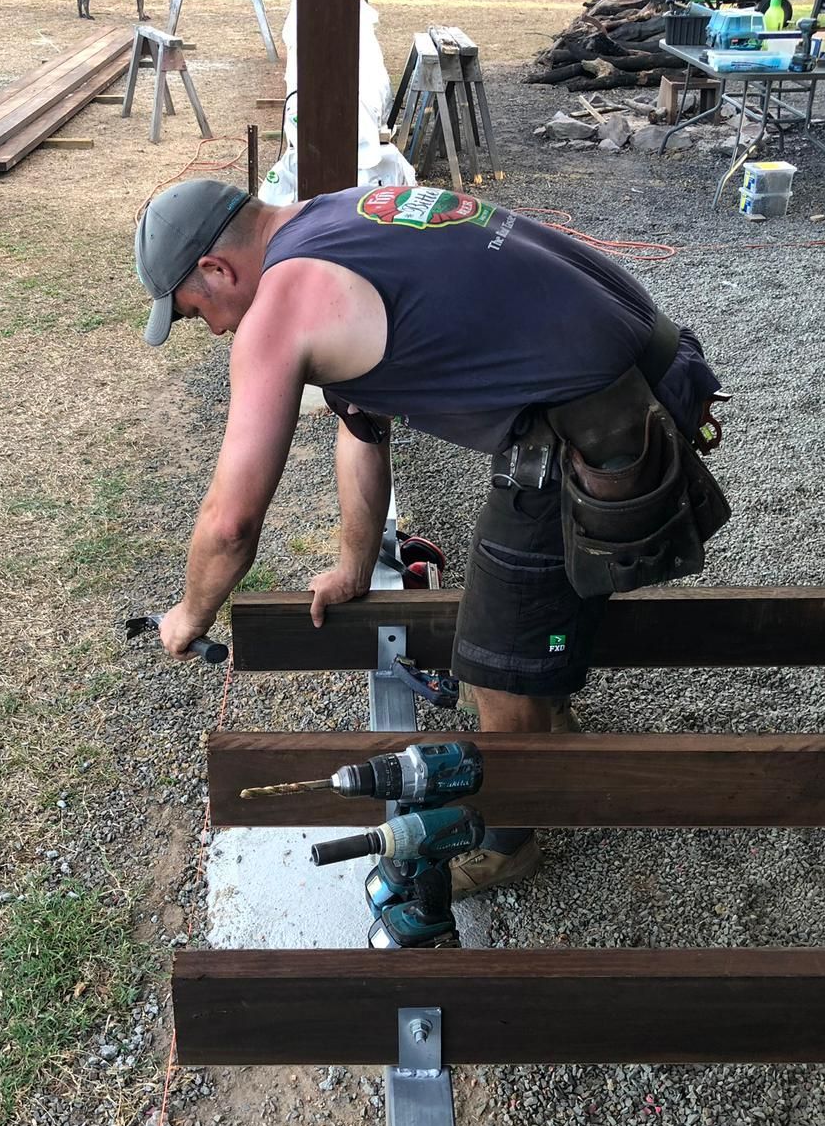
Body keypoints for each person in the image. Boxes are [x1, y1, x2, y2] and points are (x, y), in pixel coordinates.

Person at [135, 180, 728, 896]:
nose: (215, 329)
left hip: (601, 422)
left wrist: (190, 615)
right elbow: (361, 428)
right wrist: (355, 565)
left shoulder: (281, 307)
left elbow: (230, 522)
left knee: (487, 662)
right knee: (519, 613)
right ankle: (549, 727)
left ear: (217, 270)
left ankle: (509, 836)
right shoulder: (341, 214)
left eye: (198, 312)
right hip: (649, 368)